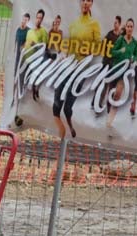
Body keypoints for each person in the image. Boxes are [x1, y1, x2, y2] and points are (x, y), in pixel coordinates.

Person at [53, 0, 100, 139]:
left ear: (91, 3)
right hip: (68, 67)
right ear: (81, 3)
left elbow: (98, 47)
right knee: (57, 101)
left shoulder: (94, 24)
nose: (86, 3)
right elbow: (68, 47)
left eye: (89, 1)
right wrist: (62, 56)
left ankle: (70, 128)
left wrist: (89, 51)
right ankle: (61, 134)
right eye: (84, 0)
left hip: (80, 71)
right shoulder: (73, 24)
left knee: (68, 106)